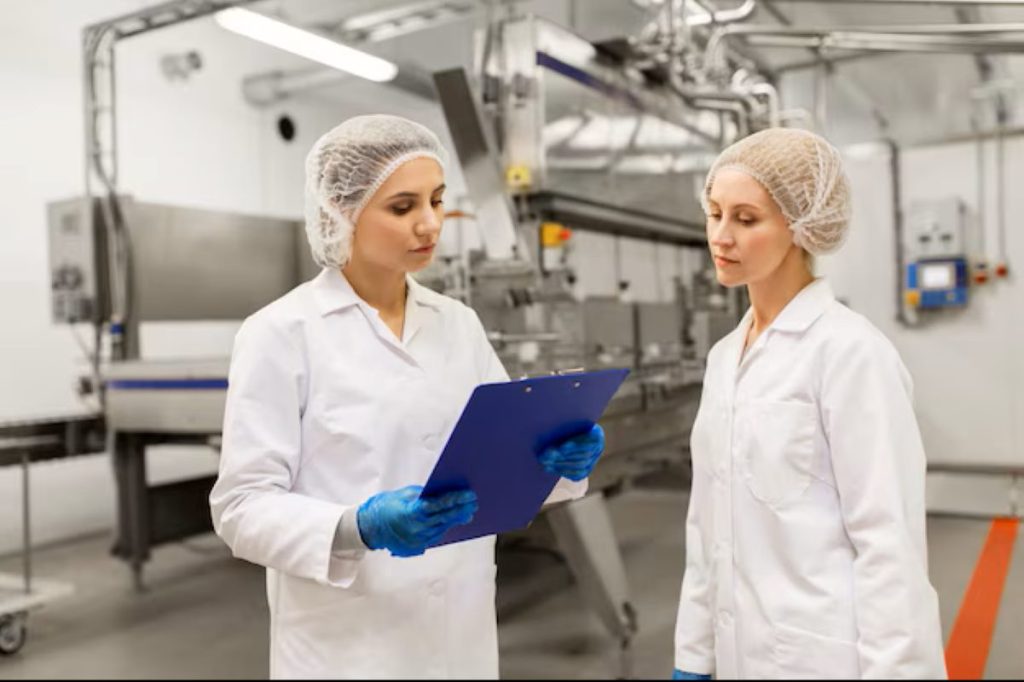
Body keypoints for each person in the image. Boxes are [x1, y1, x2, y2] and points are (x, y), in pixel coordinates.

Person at [209, 114, 606, 679]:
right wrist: (358, 527)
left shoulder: (458, 323)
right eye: (402, 207)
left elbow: (500, 461)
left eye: (438, 201)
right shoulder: (281, 332)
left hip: (459, 635)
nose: (430, 224)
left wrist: (555, 461)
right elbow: (240, 506)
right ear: (341, 211)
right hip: (349, 643)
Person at [672, 128, 947, 679]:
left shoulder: (851, 353)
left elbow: (888, 544)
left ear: (802, 227)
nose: (721, 237)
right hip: (737, 656)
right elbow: (707, 527)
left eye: (746, 219)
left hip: (822, 658)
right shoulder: (726, 357)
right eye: (714, 213)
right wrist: (695, 655)